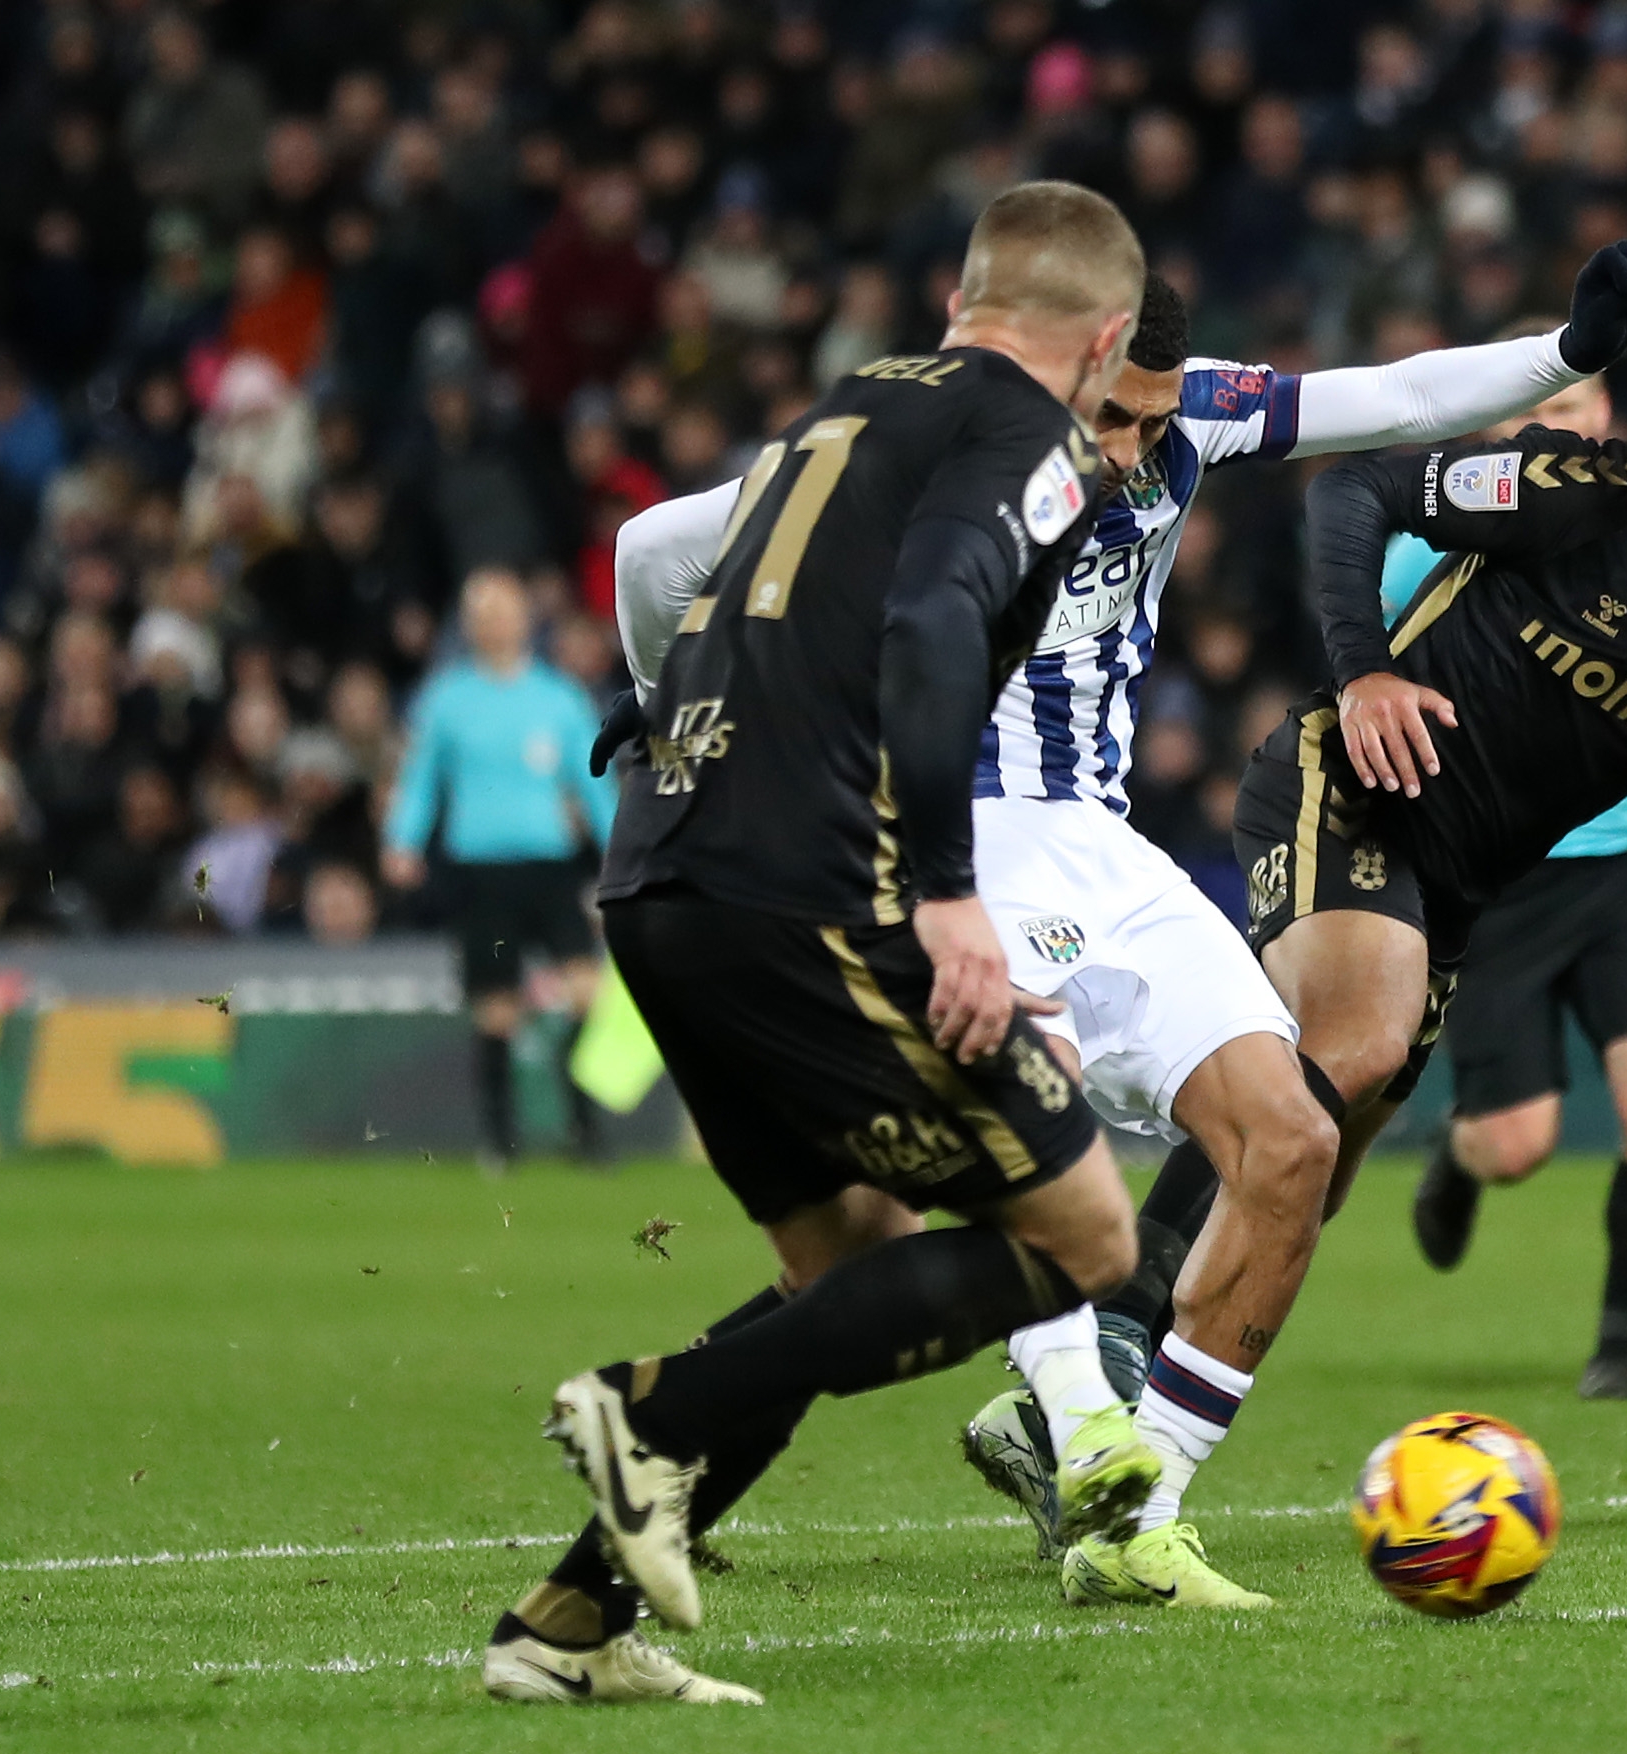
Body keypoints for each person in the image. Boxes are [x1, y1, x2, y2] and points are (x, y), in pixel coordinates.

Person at [605, 245, 1627, 1607]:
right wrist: (665, 706)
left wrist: (1567, 356)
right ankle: (1055, 1424)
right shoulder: (915, 454)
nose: (1140, 449)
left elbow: (1399, 398)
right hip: (939, 845)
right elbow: (655, 549)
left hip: (1099, 844)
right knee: (977, 1179)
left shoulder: (1188, 414)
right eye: (1116, 416)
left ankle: (1130, 1511)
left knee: (1288, 1135)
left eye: (1159, 418)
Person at [1108, 253, 1627, 1492]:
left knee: (1316, 1178)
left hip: (1459, 893)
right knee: (1346, 1049)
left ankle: (1139, 1458)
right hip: (1347, 785)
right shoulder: (1581, 490)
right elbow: (1354, 492)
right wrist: (1362, 675)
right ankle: (1107, 1326)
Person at [487, 181, 1142, 1710]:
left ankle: (564, 1629)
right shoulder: (1030, 443)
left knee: (840, 1257)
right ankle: (649, 1412)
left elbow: (679, 570)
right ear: (1105, 339)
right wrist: (945, 892)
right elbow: (926, 626)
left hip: (667, 883)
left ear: (959, 298)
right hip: (805, 896)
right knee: (1088, 1240)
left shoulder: (839, 409)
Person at [1400, 358, 1627, 1402]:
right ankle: (1460, 1156)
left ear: (1601, 419)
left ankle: (1618, 1349)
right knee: (1516, 1144)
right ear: (1497, 433)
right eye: (1533, 414)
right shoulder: (1428, 548)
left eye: (1571, 411)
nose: (1556, 430)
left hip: (1623, 869)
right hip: (1502, 874)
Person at [378, 568, 611, 1169]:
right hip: (480, 868)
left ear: (525, 620)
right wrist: (402, 841)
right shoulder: (447, 700)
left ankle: (584, 1131)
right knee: (497, 1007)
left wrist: (621, 849)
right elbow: (420, 780)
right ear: (469, 625)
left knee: (587, 993)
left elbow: (593, 782)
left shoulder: (557, 697)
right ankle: (500, 1142)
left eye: (504, 611)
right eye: (482, 614)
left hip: (550, 864)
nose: (494, 624)